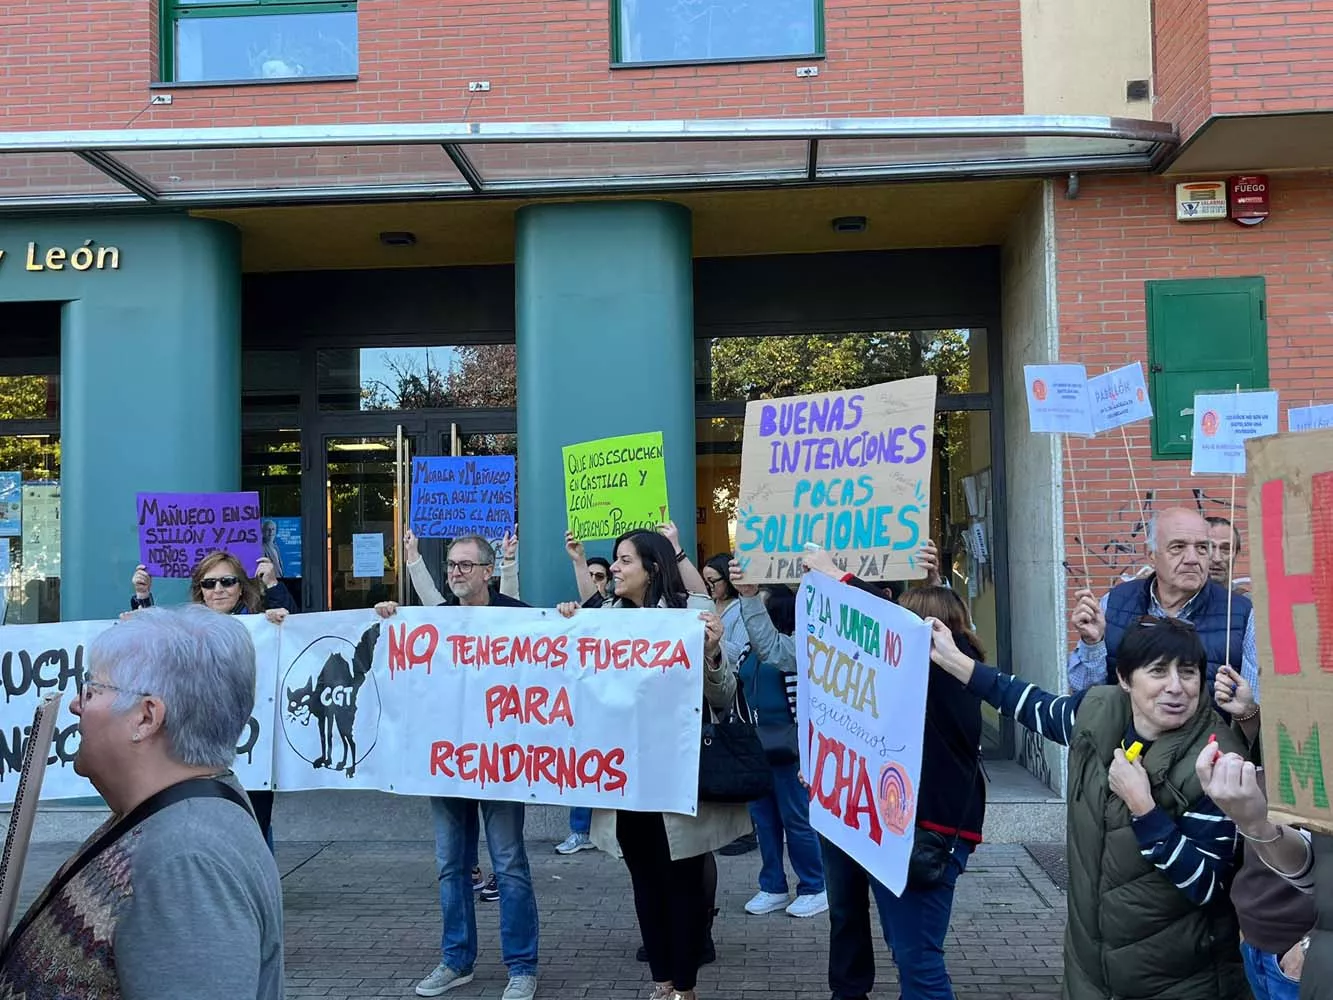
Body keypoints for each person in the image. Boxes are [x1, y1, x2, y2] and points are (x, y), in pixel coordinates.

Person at [929, 613, 1250, 999]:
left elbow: (1207, 885)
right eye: (1158, 672)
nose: (1175, 687)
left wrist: (1146, 812)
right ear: (1126, 680)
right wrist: (955, 660)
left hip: (1181, 982)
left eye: (1188, 673)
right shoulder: (1096, 713)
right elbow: (1028, 704)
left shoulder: (1216, 759)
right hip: (1090, 973)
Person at [0, 605, 283, 999]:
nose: (76, 705)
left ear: (146, 717)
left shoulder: (186, 858)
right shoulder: (169, 822)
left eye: (92, 690)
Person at [557, 530, 746, 1000]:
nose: (616, 569)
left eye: (624, 560)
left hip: (674, 776)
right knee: (645, 883)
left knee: (681, 882)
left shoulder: (688, 619)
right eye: (615, 561)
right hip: (625, 779)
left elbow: (723, 695)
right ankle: (661, 983)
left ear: (652, 568)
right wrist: (565, 624)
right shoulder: (601, 620)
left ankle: (685, 986)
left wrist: (713, 652)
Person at [804, 550, 981, 1000]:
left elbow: (889, 626)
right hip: (893, 824)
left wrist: (839, 576)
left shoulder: (947, 671)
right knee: (909, 952)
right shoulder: (938, 674)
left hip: (923, 832)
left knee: (918, 961)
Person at [376, 535, 539, 1000]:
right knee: (451, 866)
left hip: (501, 762)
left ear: (488, 571)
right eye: (451, 565)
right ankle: (456, 960)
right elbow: (415, 620)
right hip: (446, 762)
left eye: (466, 565)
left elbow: (557, 654)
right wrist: (394, 611)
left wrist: (570, 612)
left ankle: (522, 966)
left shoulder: (520, 616)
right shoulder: (435, 618)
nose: (456, 572)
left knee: (509, 864)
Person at [126, 551, 292, 847]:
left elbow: (300, 641)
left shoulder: (264, 624)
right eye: (209, 583)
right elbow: (155, 646)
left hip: (253, 748)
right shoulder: (186, 629)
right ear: (199, 591)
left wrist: (275, 591)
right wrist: (143, 598)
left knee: (253, 822)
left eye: (227, 582)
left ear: (242, 586)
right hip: (199, 747)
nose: (218, 590)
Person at [1067, 507, 1259, 700]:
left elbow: (1258, 710)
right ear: (1151, 554)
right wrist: (1092, 644)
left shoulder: (1241, 614)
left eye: (1201, 547)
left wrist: (1246, 712)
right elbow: (1086, 695)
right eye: (1178, 547)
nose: (1193, 559)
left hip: (1210, 730)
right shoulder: (1115, 602)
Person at [727, 560, 827, 919]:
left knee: (797, 820)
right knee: (765, 822)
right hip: (757, 749)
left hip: (790, 749)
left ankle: (815, 885)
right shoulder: (748, 653)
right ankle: (773, 885)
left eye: (762, 610)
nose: (754, 620)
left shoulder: (799, 652)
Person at [1209, 666, 1316, 1000]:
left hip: (1302, 952)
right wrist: (1250, 714)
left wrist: (1309, 947)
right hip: (1258, 939)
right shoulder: (1303, 703)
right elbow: (1295, 759)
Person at [1196, 744, 1329, 999]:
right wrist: (1255, 825)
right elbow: (1318, 868)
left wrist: (1309, 945)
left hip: (1306, 956)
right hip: (1261, 941)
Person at [1206, 515, 1250, 596]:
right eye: (1208, 548)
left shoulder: (1248, 605)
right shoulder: (1177, 602)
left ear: (1236, 554)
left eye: (1226, 549)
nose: (1217, 558)